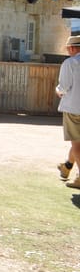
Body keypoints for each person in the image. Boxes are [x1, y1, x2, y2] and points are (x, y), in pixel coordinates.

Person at [55, 34, 80, 189]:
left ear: (72, 48)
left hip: (74, 108)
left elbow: (63, 88)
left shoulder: (70, 63)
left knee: (77, 143)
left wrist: (58, 91)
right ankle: (68, 166)